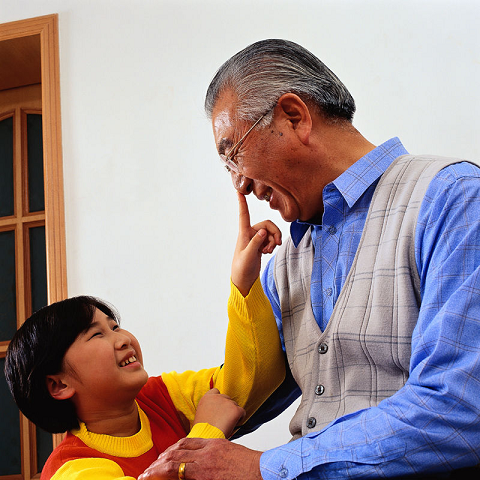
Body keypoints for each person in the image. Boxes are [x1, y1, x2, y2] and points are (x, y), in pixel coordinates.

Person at [139, 39, 480, 479]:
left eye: (231, 153)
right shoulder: (286, 261)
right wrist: (243, 291)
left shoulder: (452, 198)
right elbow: (241, 395)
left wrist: (266, 467)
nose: (239, 184)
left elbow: (458, 407)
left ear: (295, 116)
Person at [4, 194, 285, 479]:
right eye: (96, 335)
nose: (123, 338)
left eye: (114, 326)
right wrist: (207, 434)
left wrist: (243, 281)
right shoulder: (70, 468)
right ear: (59, 384)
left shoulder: (161, 395)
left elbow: (251, 380)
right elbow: (217, 416)